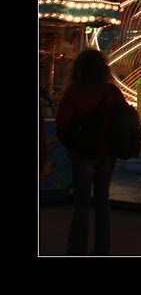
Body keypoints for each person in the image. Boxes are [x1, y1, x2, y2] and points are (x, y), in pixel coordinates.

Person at [55, 49, 121, 255]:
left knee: (81, 205)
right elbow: (124, 119)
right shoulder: (111, 93)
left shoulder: (74, 93)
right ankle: (102, 249)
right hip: (106, 156)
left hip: (82, 155)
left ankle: (77, 249)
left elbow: (62, 125)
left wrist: (73, 147)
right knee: (102, 204)